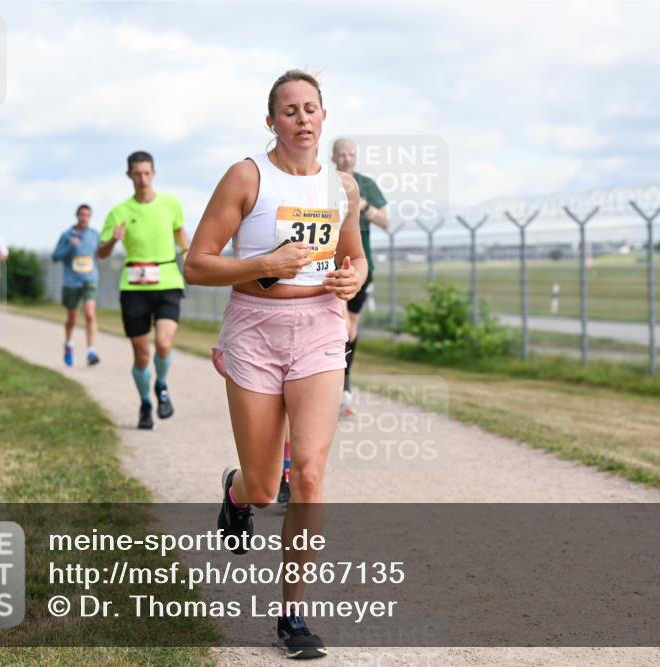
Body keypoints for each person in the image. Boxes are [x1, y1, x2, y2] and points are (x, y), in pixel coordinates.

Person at [184, 69, 365, 660]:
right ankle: (237, 492)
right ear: (272, 121)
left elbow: (356, 258)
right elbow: (197, 264)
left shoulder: (342, 187)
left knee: (308, 474)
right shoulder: (247, 177)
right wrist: (266, 263)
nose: (302, 118)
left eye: (311, 108)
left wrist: (351, 278)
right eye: (290, 110)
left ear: (324, 116)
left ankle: (292, 614)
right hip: (256, 330)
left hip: (319, 328)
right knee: (265, 488)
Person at [99, 151, 188, 430]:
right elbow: (101, 253)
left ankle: (161, 385)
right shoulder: (119, 212)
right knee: (141, 355)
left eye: (147, 173)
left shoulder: (171, 204)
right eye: (137, 174)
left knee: (163, 343)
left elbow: (181, 235)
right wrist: (112, 241)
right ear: (129, 175)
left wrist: (190, 255)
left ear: (154, 174)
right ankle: (146, 404)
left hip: (168, 281)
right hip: (134, 286)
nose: (143, 179)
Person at [330, 138, 389, 415]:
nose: (346, 159)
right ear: (333, 157)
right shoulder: (325, 181)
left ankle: (343, 387)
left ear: (356, 156)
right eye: (341, 155)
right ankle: (331, 387)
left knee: (350, 327)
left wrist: (361, 205)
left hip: (361, 265)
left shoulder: (366, 185)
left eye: (351, 154)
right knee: (339, 323)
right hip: (330, 263)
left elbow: (385, 221)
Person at [52, 204, 101, 366]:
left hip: (89, 279)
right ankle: (68, 344)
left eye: (87, 215)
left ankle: (91, 351)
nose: (84, 218)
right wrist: (69, 246)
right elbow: (55, 257)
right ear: (77, 216)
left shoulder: (95, 235)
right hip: (71, 282)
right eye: (82, 215)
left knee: (90, 314)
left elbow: (101, 254)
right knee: (72, 318)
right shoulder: (66, 235)